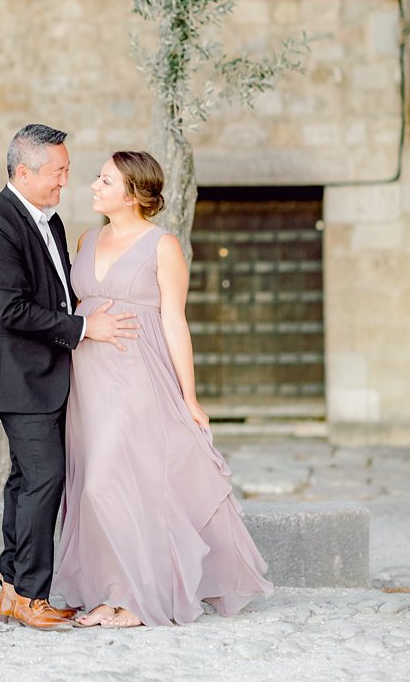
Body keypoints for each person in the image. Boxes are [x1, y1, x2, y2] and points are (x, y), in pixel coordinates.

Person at [53, 151, 273, 627]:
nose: (93, 185)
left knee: (107, 482)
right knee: (98, 486)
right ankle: (112, 594)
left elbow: (175, 321)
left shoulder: (162, 246)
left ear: (132, 193)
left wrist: (190, 397)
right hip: (87, 381)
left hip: (138, 375)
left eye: (105, 180)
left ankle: (139, 600)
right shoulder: (86, 238)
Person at [0, 123, 141, 630]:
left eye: (66, 170)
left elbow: (59, 291)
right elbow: (13, 310)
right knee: (45, 479)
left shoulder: (50, 220)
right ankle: (32, 596)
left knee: (25, 481)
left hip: (43, 371)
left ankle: (12, 589)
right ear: (24, 171)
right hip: (17, 376)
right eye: (57, 172)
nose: (65, 181)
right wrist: (85, 328)